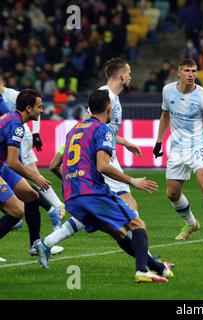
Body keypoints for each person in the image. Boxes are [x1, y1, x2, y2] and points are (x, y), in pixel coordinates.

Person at [34, 90, 171, 283]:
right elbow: (103, 165)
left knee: (119, 233)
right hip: (92, 193)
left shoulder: (74, 130)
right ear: (109, 108)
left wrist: (72, 182)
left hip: (72, 197)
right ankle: (142, 270)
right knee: (137, 224)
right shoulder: (102, 129)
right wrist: (132, 181)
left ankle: (157, 267)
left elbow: (54, 165)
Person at [31, 58, 144, 250]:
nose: (131, 77)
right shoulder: (106, 96)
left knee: (90, 213)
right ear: (122, 75)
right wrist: (61, 154)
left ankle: (45, 244)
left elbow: (100, 129)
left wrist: (125, 142)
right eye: (130, 73)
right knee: (129, 208)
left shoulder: (111, 97)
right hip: (102, 158)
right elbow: (85, 127)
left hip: (105, 154)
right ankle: (147, 261)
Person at [153, 58, 203, 244]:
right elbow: (165, 115)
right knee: (172, 193)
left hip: (198, 146)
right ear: (179, 72)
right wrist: (159, 141)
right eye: (187, 71)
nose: (191, 74)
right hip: (177, 148)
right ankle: (191, 223)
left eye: (194, 71)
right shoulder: (167, 90)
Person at [0, 77, 66, 232]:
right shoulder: (16, 126)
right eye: (39, 107)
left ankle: (35, 244)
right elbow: (13, 163)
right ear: (29, 109)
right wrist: (37, 177)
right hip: (7, 161)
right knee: (17, 210)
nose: (42, 110)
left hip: (4, 164)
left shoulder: (11, 115)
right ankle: (53, 211)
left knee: (31, 194)